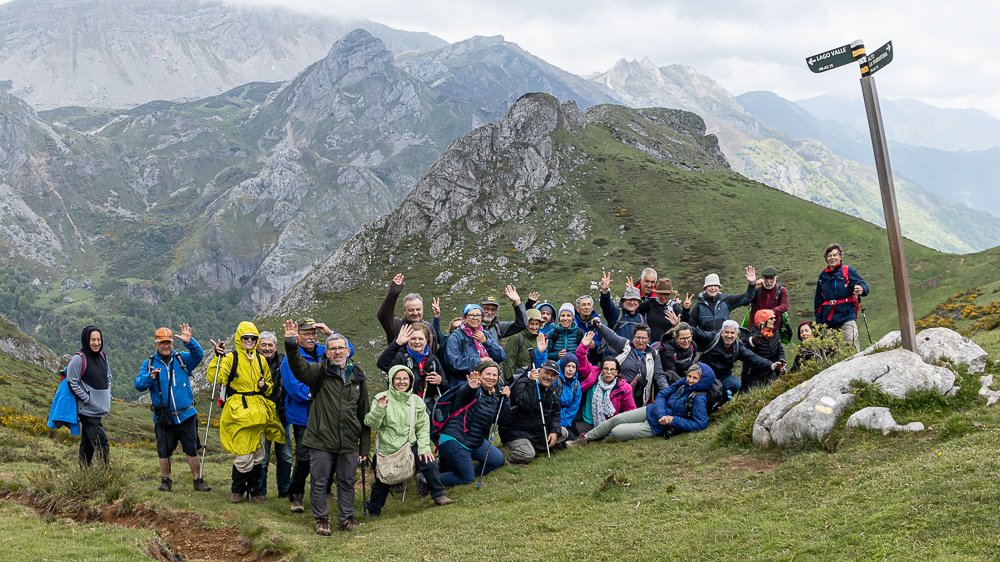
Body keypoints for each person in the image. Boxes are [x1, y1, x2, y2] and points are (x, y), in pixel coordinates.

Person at [282, 320, 371, 535]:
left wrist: (365, 449)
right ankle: (322, 519)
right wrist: (291, 344)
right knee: (320, 482)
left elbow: (364, 413)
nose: (337, 352)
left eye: (341, 348)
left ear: (348, 351)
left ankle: (346, 518)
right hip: (322, 438)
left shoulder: (358, 376)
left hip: (349, 440)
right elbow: (298, 368)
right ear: (327, 352)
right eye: (333, 349)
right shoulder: (318, 372)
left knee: (347, 481)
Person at [207, 322, 284, 504]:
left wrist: (265, 386)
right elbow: (215, 377)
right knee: (243, 455)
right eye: (246, 338)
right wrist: (216, 358)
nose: (249, 341)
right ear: (239, 339)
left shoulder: (261, 360)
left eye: (253, 338)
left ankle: (255, 492)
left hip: (258, 413)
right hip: (239, 412)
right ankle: (237, 490)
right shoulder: (230, 359)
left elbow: (269, 387)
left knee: (258, 455)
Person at [364, 365, 453, 515]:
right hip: (388, 447)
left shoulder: (416, 401)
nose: (402, 382)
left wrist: (424, 447)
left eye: (405, 379)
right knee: (383, 479)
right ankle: (373, 509)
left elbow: (423, 427)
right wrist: (380, 408)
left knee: (429, 463)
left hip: (410, 443)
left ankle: (439, 495)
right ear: (392, 380)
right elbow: (371, 423)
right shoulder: (381, 398)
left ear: (411, 381)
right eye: (398, 378)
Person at [133, 324, 210, 492]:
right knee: (164, 451)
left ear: (172, 343)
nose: (166, 345)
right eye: (162, 343)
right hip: (163, 417)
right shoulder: (149, 364)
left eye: (168, 342)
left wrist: (190, 342)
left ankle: (198, 480)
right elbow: (138, 385)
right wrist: (150, 377)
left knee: (191, 449)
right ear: (156, 344)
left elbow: (199, 355)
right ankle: (165, 481)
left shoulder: (182, 359)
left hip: (186, 414)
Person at [573, 363, 718, 444]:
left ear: (703, 380)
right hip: (652, 411)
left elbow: (700, 423)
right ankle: (586, 438)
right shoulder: (683, 383)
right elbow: (662, 394)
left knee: (617, 431)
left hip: (656, 426)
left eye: (695, 378)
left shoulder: (699, 398)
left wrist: (673, 420)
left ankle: (598, 438)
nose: (690, 380)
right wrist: (661, 413)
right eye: (689, 376)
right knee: (615, 419)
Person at [668, 312, 781, 397]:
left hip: (724, 377)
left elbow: (753, 358)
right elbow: (697, 332)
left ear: (737, 334)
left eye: (732, 333)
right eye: (726, 332)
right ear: (721, 332)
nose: (729, 336)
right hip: (704, 375)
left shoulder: (738, 347)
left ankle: (719, 404)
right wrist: (679, 324)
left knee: (735, 384)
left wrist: (772, 365)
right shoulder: (712, 338)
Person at [437, 361, 510, 486]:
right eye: (488, 374)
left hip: (475, 442)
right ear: (480, 375)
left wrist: (505, 399)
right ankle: (428, 478)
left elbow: (500, 419)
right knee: (467, 479)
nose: (491, 377)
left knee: (497, 459)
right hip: (455, 440)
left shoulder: (492, 397)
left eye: (494, 375)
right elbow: (464, 394)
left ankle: (468, 472)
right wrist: (470, 387)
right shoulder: (473, 390)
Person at [501, 360, 567, 464]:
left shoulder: (551, 390)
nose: (549, 377)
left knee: (562, 432)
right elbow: (526, 405)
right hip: (517, 432)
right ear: (539, 371)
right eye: (546, 373)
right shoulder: (523, 383)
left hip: (537, 432)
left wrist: (554, 431)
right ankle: (505, 460)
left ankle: (533, 446)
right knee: (528, 454)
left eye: (553, 375)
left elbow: (555, 412)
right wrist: (532, 383)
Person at [65, 325, 111, 466]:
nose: (96, 343)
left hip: (99, 407)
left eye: (98, 340)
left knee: (87, 442)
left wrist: (108, 393)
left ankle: (84, 470)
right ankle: (105, 473)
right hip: (87, 410)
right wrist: (87, 399)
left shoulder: (103, 356)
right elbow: (72, 381)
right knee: (101, 441)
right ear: (86, 340)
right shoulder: (78, 359)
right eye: (93, 340)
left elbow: (108, 376)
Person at [593, 320, 667, 406]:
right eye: (638, 337)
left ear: (648, 339)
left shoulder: (654, 354)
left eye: (643, 338)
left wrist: (666, 389)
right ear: (633, 337)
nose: (640, 341)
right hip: (619, 393)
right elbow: (612, 337)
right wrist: (599, 326)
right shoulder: (625, 346)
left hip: (640, 398)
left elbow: (659, 375)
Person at [377, 323, 449, 410]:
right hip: (404, 407)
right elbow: (382, 364)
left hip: (427, 407)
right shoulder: (401, 357)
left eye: (421, 339)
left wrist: (440, 381)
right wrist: (397, 343)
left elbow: (445, 387)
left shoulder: (433, 360)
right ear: (408, 340)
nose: (417, 342)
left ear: (427, 340)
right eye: (413, 338)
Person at [814, 243, 869, 351]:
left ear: (840, 257)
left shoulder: (848, 272)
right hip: (829, 320)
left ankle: (856, 366)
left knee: (852, 345)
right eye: (829, 255)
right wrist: (819, 322)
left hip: (847, 316)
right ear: (826, 258)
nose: (832, 257)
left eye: (835, 255)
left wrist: (862, 289)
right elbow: (818, 301)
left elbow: (863, 285)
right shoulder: (823, 276)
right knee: (831, 352)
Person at [257, 331, 292, 499]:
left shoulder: (284, 361)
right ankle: (260, 491)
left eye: (270, 345)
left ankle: (284, 490)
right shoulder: (253, 363)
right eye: (263, 345)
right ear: (258, 347)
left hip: (282, 416)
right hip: (261, 419)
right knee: (262, 458)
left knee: (285, 456)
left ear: (275, 347)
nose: (267, 348)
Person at [576, 351, 637, 436]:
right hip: (587, 420)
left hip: (608, 425)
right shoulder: (593, 377)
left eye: (612, 369)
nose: (608, 372)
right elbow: (582, 362)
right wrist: (584, 346)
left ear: (616, 372)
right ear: (601, 370)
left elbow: (630, 410)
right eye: (605, 369)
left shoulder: (624, 388)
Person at [377, 273, 439, 353]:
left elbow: (435, 352)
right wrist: (393, 292)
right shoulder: (397, 326)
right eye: (411, 310)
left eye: (418, 309)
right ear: (404, 310)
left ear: (422, 308)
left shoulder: (428, 327)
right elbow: (383, 316)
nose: (415, 313)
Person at [443, 304, 506, 378]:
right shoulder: (456, 336)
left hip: (487, 380)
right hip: (464, 381)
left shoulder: (485, 333)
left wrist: (486, 342)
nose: (475, 318)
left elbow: (501, 356)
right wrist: (479, 361)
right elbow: (454, 363)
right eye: (471, 315)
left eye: (478, 315)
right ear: (465, 318)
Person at [685, 268, 757, 332]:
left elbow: (746, 298)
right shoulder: (699, 306)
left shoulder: (726, 300)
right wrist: (685, 310)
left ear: (719, 288)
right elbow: (691, 327)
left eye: (716, 285)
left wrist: (752, 284)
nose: (713, 288)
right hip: (706, 344)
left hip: (724, 341)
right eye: (710, 286)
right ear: (705, 288)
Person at [598, 271, 646, 350]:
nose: (632, 302)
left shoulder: (642, 319)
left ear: (639, 303)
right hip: (613, 358)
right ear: (623, 301)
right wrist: (605, 292)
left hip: (633, 358)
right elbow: (606, 305)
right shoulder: (615, 314)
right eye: (629, 299)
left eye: (635, 300)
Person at [741, 310, 786, 390]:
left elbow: (780, 350)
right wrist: (752, 341)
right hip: (755, 376)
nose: (774, 320)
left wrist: (781, 361)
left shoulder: (775, 333)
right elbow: (748, 354)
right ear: (763, 321)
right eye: (771, 319)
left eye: (774, 318)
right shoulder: (753, 336)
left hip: (771, 371)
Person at [502, 308, 545, 382]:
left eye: (537, 324)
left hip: (535, 382)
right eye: (531, 324)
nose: (534, 327)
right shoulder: (516, 338)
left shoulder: (540, 340)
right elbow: (509, 363)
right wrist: (510, 382)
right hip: (519, 381)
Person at [636, 278, 683, 342]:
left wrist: (686, 310)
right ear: (657, 293)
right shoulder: (650, 303)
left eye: (666, 294)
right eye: (661, 294)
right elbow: (634, 309)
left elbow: (685, 324)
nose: (663, 297)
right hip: (650, 343)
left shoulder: (675, 307)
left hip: (668, 345)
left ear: (670, 294)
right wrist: (632, 292)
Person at [748, 266, 790, 332]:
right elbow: (746, 301)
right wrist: (752, 288)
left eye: (771, 278)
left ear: (776, 278)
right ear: (762, 278)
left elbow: (785, 305)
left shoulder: (782, 290)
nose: (768, 281)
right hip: (755, 328)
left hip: (773, 328)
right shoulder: (757, 289)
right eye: (766, 278)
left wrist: (772, 312)